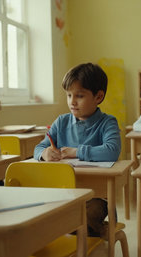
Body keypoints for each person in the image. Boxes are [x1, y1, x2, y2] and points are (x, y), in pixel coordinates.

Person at [34, 63, 121, 238]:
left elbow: (112, 150)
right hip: (64, 193)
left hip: (97, 198)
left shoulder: (107, 122)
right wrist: (44, 154)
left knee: (82, 217)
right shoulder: (62, 122)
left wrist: (77, 152)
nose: (72, 102)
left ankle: (81, 239)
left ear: (98, 96)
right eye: (68, 95)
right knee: (38, 215)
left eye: (79, 96)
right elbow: (39, 147)